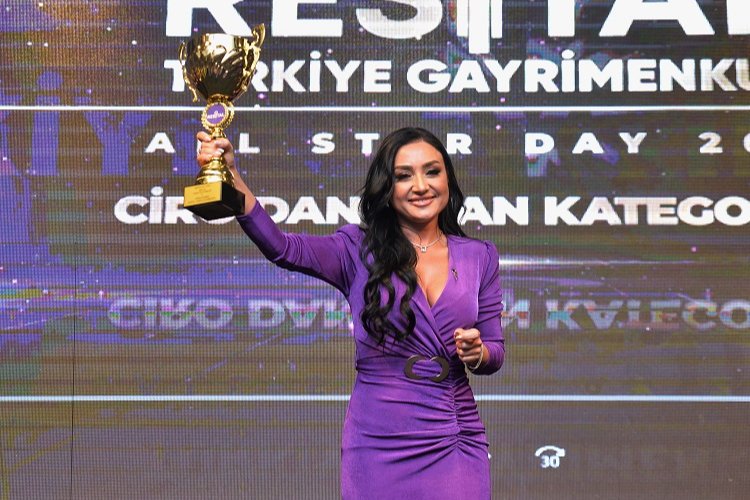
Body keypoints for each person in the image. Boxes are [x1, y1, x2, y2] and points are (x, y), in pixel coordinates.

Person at [196, 127, 505, 499]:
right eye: (403, 175)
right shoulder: (356, 249)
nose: (421, 186)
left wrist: (479, 353)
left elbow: (495, 351)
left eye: (432, 171)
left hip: (454, 435)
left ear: (448, 179)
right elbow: (282, 248)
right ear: (387, 187)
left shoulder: (480, 256)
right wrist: (232, 174)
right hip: (378, 439)